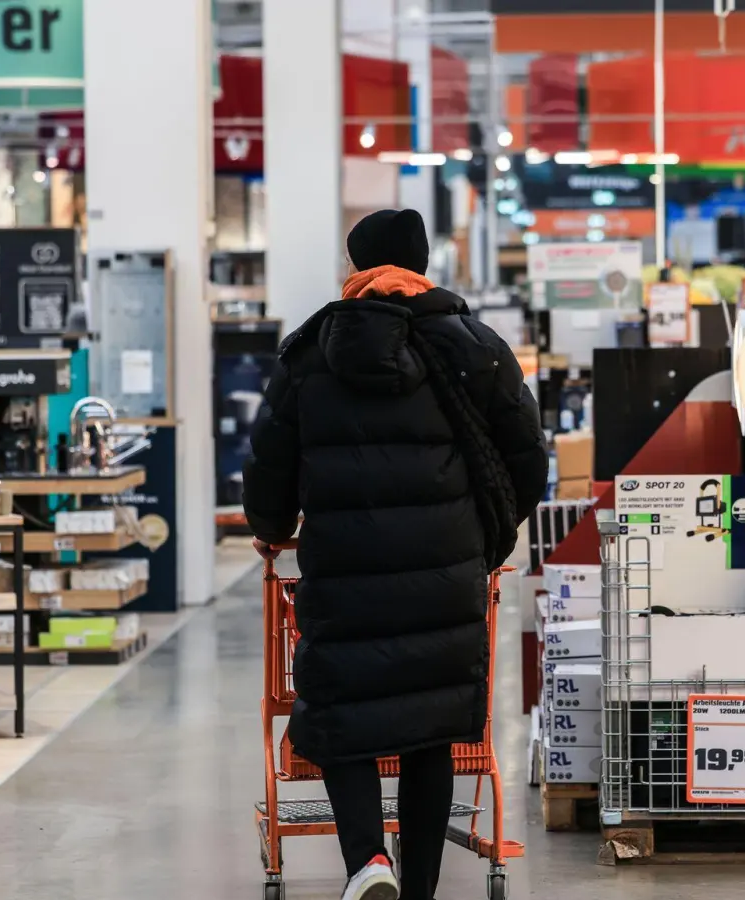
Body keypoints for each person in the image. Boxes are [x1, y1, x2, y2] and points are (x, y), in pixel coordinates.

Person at [243, 209, 548, 900]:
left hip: (344, 570)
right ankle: (421, 890)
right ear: (422, 260)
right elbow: (528, 459)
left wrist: (270, 524)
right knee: (429, 730)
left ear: (356, 266)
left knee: (342, 715)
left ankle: (367, 865)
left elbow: (269, 463)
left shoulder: (310, 351)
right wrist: (486, 533)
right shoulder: (475, 344)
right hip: (445, 573)